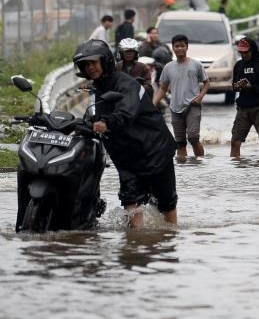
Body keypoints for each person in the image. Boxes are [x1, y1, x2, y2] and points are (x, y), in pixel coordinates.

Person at [72, 40, 178, 229]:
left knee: (167, 202)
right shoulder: (95, 88)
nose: (90, 68)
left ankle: (171, 238)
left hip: (153, 150)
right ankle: (133, 245)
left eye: (93, 63)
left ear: (105, 61)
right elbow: (91, 117)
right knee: (130, 201)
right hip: (126, 157)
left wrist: (106, 122)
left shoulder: (126, 83)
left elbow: (126, 111)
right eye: (86, 65)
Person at [153, 34, 209, 158]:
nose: (179, 48)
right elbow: (163, 88)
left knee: (193, 138)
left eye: (182, 46)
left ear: (187, 47)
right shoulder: (168, 67)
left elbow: (206, 83)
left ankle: (201, 166)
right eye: (177, 46)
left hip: (192, 105)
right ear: (172, 48)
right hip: (175, 108)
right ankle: (183, 171)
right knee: (180, 142)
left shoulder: (196, 64)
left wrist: (200, 97)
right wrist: (154, 103)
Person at [230, 37, 259, 158]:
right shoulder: (238, 65)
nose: (244, 55)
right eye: (241, 52)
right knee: (235, 142)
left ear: (253, 50)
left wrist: (251, 87)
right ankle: (234, 169)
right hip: (242, 109)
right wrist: (237, 86)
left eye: (246, 52)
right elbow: (233, 86)